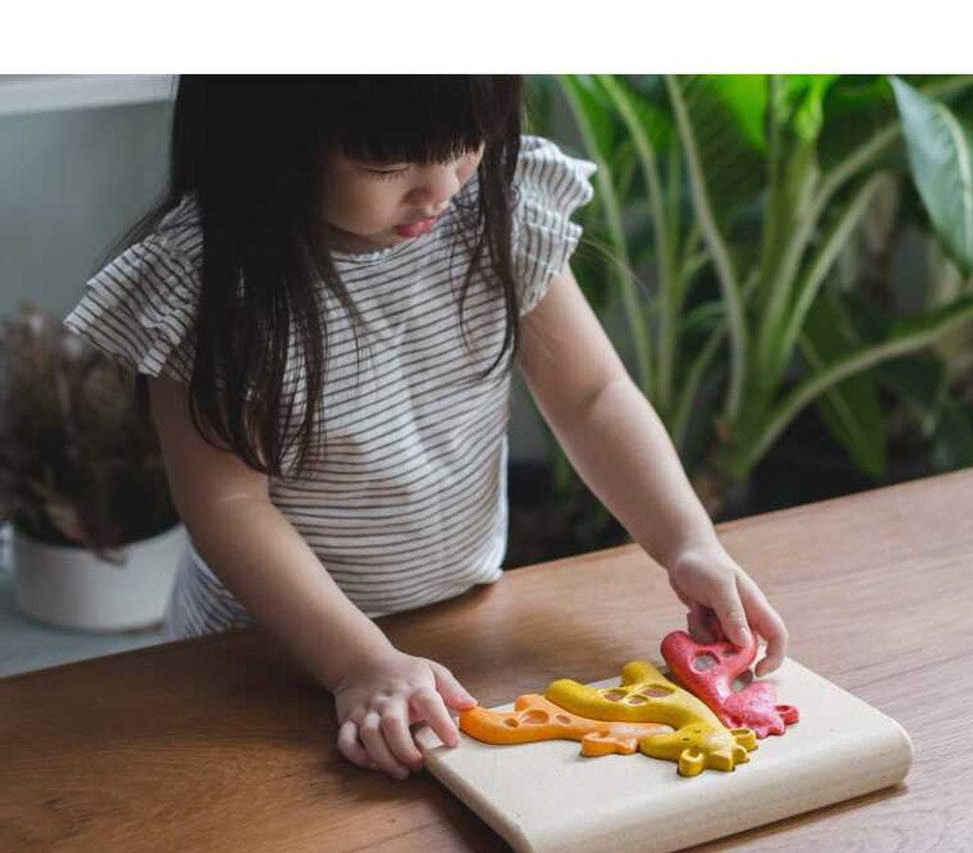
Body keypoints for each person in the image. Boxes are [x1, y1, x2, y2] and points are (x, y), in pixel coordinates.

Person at [63, 75, 788, 781]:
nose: (439, 184)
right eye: (388, 162)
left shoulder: (493, 205)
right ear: (267, 137)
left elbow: (591, 395)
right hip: (267, 659)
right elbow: (227, 507)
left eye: (464, 140)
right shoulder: (208, 282)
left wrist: (687, 542)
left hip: (458, 628)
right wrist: (358, 663)